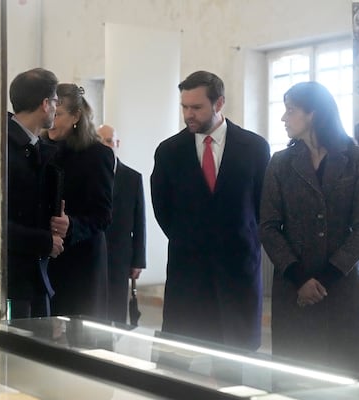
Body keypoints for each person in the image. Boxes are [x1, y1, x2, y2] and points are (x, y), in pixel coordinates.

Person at [259, 81, 359, 381]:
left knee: (350, 380)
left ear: (312, 114)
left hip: (343, 289)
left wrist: (325, 279)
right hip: (294, 290)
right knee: (297, 381)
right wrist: (300, 278)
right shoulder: (281, 163)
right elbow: (269, 226)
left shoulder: (355, 159)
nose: (284, 119)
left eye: (290, 111)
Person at [150, 70, 270, 351]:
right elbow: (162, 208)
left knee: (237, 361)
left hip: (238, 271)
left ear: (219, 104)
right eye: (184, 107)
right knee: (181, 362)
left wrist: (241, 237)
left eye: (196, 107)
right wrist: (190, 238)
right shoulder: (169, 152)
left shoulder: (254, 148)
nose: (188, 114)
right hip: (188, 274)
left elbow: (264, 206)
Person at [43, 83, 114, 319]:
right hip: (44, 254)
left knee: (79, 333)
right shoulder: (38, 149)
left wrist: (72, 224)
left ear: (76, 116)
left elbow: (102, 215)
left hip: (81, 260)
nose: (51, 119)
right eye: (50, 111)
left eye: (59, 114)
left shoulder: (97, 155)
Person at [7, 68, 68, 318]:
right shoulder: (4, 150)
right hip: (14, 281)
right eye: (55, 101)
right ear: (45, 104)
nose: (55, 108)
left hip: (35, 276)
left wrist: (60, 223)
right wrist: (45, 241)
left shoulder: (38, 147)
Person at [98, 124, 146, 324]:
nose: (106, 146)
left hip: (120, 256)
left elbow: (139, 221)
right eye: (101, 142)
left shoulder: (132, 178)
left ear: (117, 143)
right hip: (94, 251)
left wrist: (138, 261)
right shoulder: (91, 174)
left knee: (116, 309)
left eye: (109, 141)